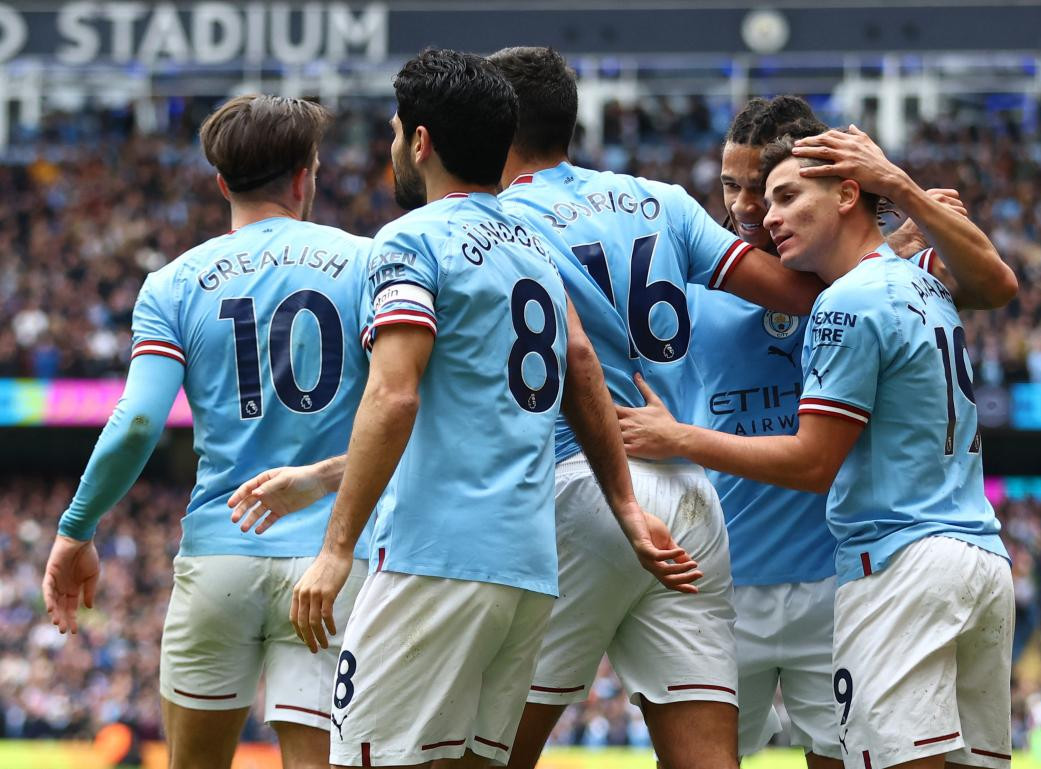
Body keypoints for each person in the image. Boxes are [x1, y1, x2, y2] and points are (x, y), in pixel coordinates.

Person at [281, 49, 698, 769]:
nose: (390, 146)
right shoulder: (532, 244)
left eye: (392, 131)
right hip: (526, 571)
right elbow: (581, 363)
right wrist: (625, 506)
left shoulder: (410, 240)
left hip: (432, 558)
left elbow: (395, 392)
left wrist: (336, 545)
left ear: (420, 142)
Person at [619, 97, 1017, 768]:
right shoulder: (691, 283)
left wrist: (904, 209)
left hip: (840, 576)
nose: (748, 206)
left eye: (769, 188)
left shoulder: (859, 282)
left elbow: (993, 283)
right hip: (722, 576)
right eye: (732, 185)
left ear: (833, 186)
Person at [485, 47, 825, 769]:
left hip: (575, 486)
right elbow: (803, 292)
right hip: (688, 500)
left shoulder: (490, 221)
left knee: (490, 748)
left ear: (498, 124)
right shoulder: (660, 201)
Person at [42, 94, 376, 769]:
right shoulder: (371, 263)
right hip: (334, 558)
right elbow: (406, 403)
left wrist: (76, 529)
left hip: (221, 551)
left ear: (222, 182)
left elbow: (138, 422)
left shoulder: (173, 284)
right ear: (305, 176)